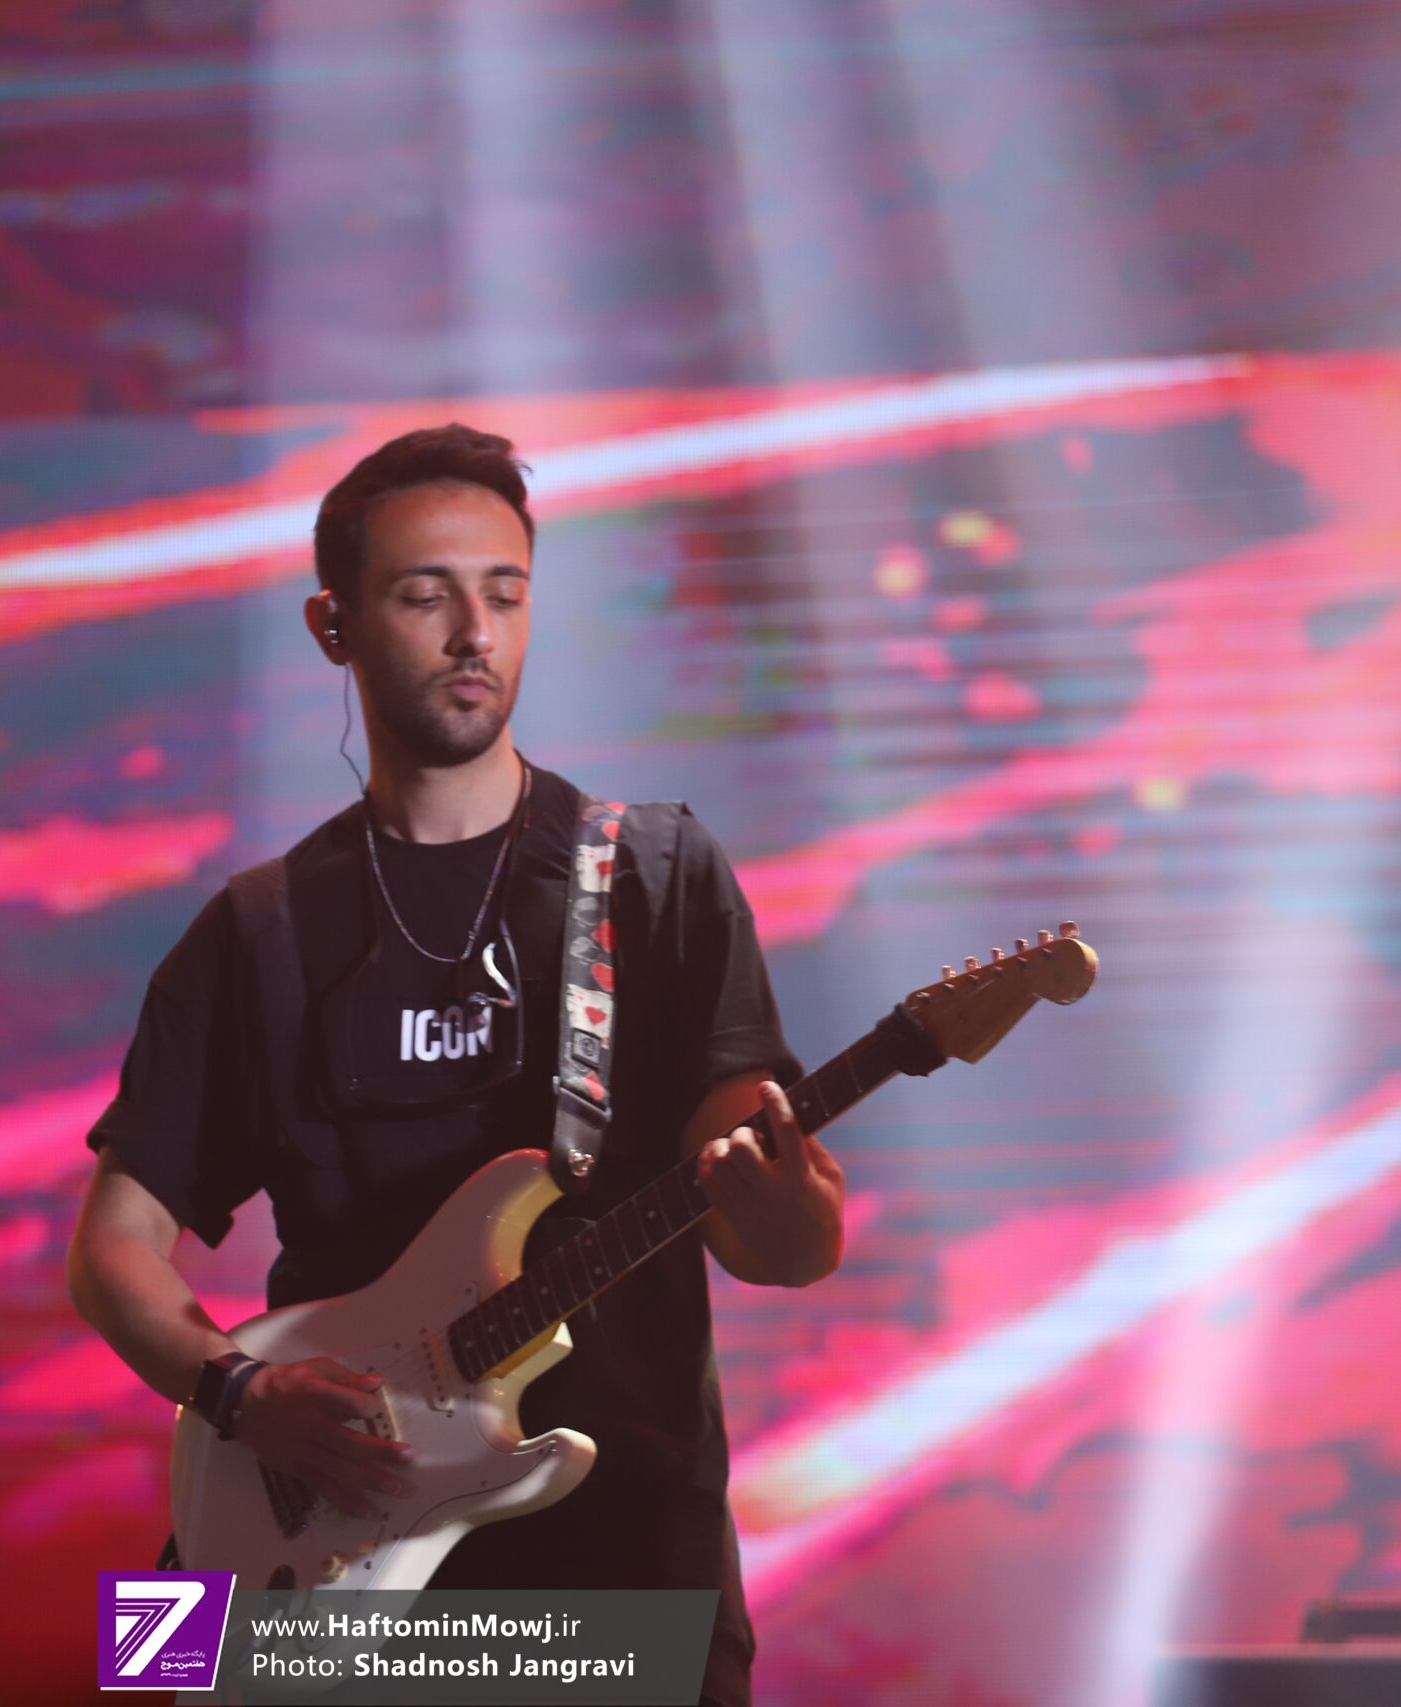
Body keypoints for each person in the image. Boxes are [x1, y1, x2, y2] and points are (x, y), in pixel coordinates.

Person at [65, 424, 847, 1707]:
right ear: (332, 625)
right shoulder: (252, 930)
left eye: (505, 593)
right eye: (425, 595)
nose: (474, 633)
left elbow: (781, 1247)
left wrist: (793, 1208)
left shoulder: (655, 875)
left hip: (613, 1579)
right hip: (307, 1540)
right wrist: (241, 1393)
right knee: (149, 1672)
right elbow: (108, 1251)